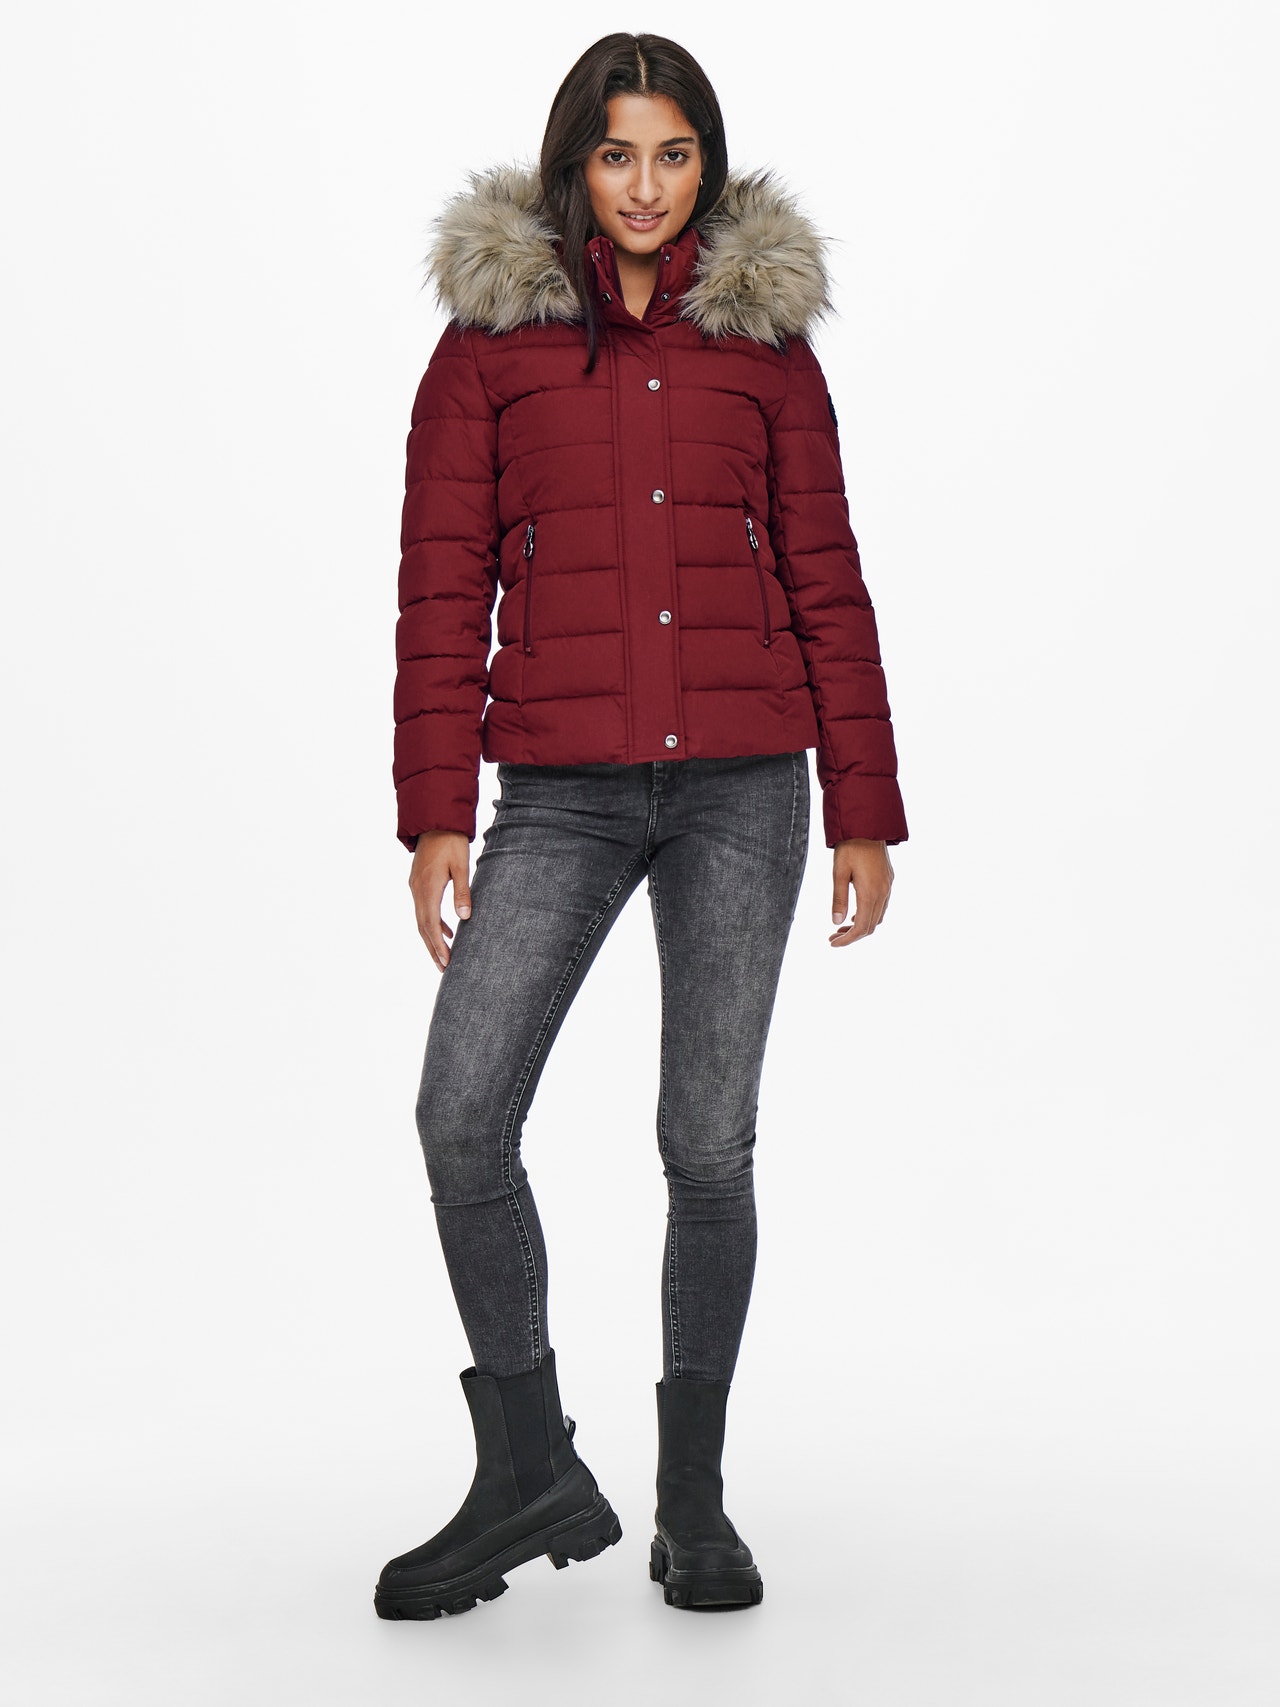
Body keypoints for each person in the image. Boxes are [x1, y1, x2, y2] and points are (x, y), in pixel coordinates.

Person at [375, 32, 909, 1620]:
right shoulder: (489, 344)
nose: (646, 186)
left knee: (707, 1144)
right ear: (574, 164)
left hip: (747, 788)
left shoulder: (766, 346)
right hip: (561, 790)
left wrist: (864, 805)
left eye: (674, 155)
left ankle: (695, 1502)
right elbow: (438, 587)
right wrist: (435, 812)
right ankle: (528, 1468)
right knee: (463, 1115)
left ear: (708, 165)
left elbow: (826, 573)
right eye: (618, 155)